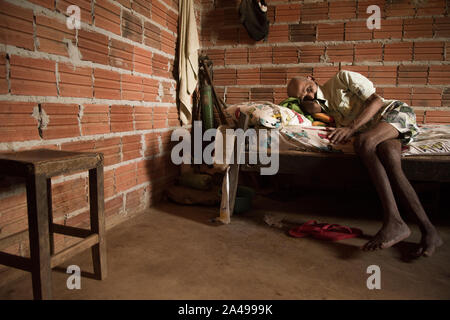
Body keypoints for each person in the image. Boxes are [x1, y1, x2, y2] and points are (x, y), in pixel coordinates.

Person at [287, 71, 443, 257]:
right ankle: (429, 231)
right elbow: (306, 114)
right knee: (391, 163)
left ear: (311, 78)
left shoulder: (341, 79)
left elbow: (376, 101)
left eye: (308, 89)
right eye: (303, 96)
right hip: (378, 132)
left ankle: (393, 221)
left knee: (363, 142)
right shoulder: (320, 108)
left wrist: (351, 128)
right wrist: (306, 105)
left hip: (394, 114)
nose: (309, 95)